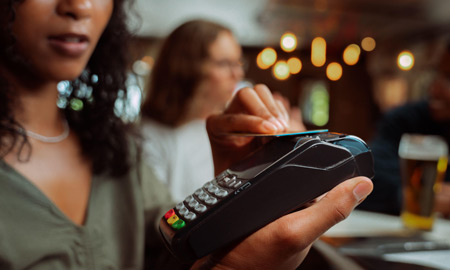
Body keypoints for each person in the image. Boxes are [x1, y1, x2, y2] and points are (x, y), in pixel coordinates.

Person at [0, 0, 373, 269]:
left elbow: (170, 254)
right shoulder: (142, 140)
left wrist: (229, 227)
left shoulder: (118, 150)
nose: (80, 6)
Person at [139, 19, 247, 201]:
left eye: (239, 63)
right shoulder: (147, 139)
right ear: (188, 69)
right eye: (224, 63)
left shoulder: (232, 132)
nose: (238, 74)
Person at [358, 42, 450, 217]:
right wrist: (419, 197)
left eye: (449, 78)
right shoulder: (405, 119)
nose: (435, 89)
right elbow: (365, 179)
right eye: (438, 74)